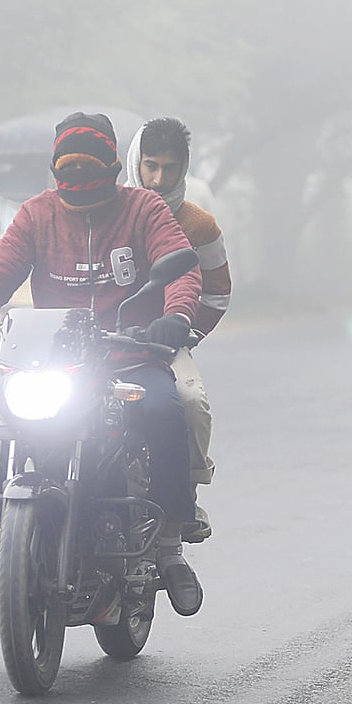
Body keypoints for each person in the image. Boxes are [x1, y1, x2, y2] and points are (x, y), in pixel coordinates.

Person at [0, 111, 205, 617]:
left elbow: (180, 266)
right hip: (53, 363)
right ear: (56, 174)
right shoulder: (36, 215)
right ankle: (6, 544)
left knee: (167, 409)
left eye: (91, 179)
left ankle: (171, 547)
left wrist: (176, 314)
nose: (79, 190)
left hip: (128, 356)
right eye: (70, 180)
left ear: (111, 169)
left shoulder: (144, 209)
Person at [126, 117, 231, 544]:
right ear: (135, 160)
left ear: (184, 168)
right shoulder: (108, 213)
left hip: (165, 346)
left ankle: (184, 496)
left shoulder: (200, 226)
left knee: (190, 403)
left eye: (170, 168)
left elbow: (217, 294)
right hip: (96, 345)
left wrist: (182, 335)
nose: (158, 179)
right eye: (150, 165)